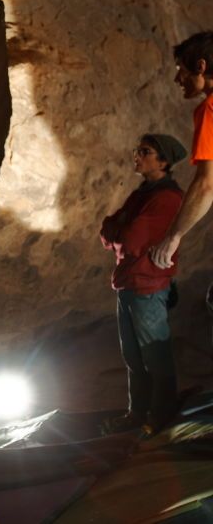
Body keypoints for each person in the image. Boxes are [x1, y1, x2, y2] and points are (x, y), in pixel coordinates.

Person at [100, 134, 187, 433]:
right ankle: (137, 414)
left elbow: (129, 238)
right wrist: (119, 232)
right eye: (137, 149)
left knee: (155, 356)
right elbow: (108, 229)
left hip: (148, 286)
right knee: (134, 358)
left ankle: (161, 415)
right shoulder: (142, 195)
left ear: (163, 161)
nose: (137, 155)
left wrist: (119, 232)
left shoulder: (166, 198)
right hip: (128, 282)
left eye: (145, 151)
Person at [151, 31, 213, 269]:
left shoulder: (209, 110)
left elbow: (206, 185)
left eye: (181, 69)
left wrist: (173, 236)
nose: (177, 78)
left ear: (201, 66)